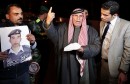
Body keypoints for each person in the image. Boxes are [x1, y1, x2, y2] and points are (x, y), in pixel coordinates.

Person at [42, 7, 101, 84]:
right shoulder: (62, 28)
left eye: (80, 16)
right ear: (71, 17)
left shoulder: (91, 31)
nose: (78, 18)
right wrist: (48, 21)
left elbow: (97, 47)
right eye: (75, 15)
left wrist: (83, 49)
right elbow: (53, 36)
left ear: (84, 17)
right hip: (66, 66)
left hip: (85, 66)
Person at [0, 4, 36, 84]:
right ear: (7, 16)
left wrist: (33, 42)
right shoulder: (1, 29)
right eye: (16, 14)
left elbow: (32, 48)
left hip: (23, 74)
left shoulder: (26, 28)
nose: (20, 16)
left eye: (21, 13)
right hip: (5, 77)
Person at [100, 1, 130, 84]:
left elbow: (128, 50)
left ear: (115, 15)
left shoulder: (126, 25)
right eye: (101, 13)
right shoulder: (102, 23)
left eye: (105, 15)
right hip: (103, 64)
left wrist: (124, 71)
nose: (101, 16)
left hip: (116, 67)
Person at [28, 5, 54, 84]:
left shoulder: (46, 22)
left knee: (44, 66)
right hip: (37, 47)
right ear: (45, 13)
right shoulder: (36, 21)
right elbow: (35, 28)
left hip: (46, 47)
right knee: (34, 67)